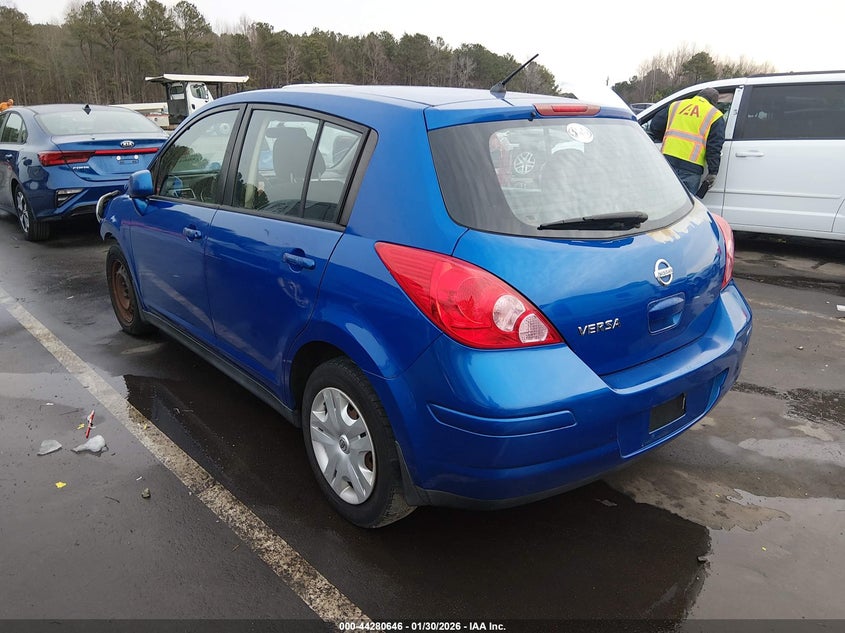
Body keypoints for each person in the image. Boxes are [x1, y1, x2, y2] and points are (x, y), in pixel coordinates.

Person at [649, 87, 725, 196]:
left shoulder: (676, 105)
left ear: (699, 95)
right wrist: (713, 171)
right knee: (685, 206)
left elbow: (656, 126)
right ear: (713, 102)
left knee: (663, 199)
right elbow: (714, 147)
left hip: (667, 161)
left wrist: (666, 137)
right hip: (691, 168)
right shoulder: (715, 115)